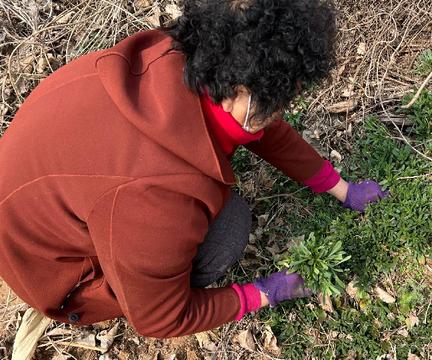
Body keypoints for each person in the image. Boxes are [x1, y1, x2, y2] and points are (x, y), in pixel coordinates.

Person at [0, 0, 387, 338]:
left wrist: (339, 187)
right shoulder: (158, 199)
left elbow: (263, 129)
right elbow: (159, 319)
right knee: (231, 226)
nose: (284, 110)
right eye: (281, 99)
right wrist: (264, 293)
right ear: (242, 92)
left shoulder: (179, 54)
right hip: (59, 276)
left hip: (35, 198)